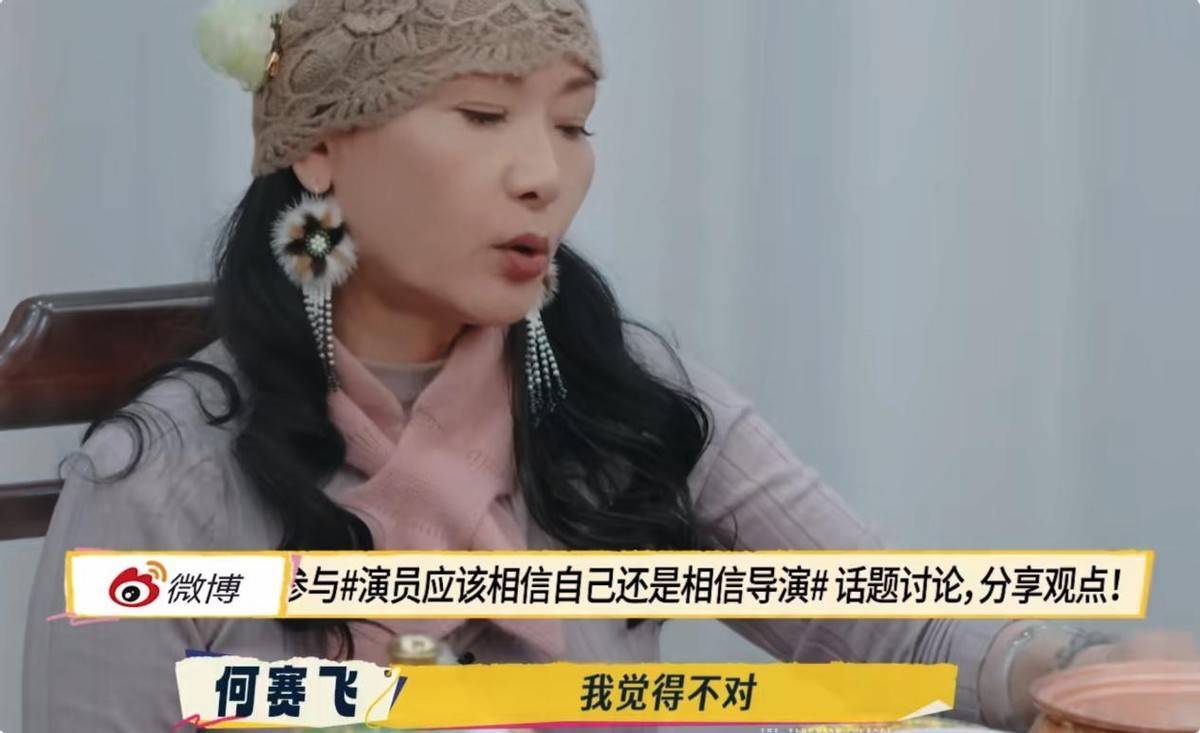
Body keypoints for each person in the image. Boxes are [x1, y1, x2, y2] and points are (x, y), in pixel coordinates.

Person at [21, 1, 1196, 731]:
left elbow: (890, 624)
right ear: (321, 148)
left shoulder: (613, 394)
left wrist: (1080, 670)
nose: (544, 173)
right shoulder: (164, 475)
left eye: (573, 123)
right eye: (484, 116)